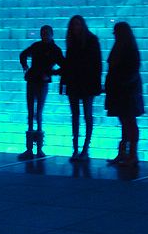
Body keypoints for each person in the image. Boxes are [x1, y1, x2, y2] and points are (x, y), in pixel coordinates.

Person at [17, 25, 63, 160]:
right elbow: (23, 55)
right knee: (33, 112)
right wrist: (49, 73)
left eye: (47, 33)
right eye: (43, 33)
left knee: (37, 113)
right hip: (34, 80)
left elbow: (64, 66)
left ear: (51, 34)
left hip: (38, 81)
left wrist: (49, 73)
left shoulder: (53, 49)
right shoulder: (43, 47)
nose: (45, 35)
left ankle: (36, 148)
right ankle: (32, 149)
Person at [59, 15, 102, 162]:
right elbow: (68, 65)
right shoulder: (77, 42)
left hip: (85, 83)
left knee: (85, 115)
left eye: (77, 25)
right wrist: (63, 82)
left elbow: (97, 65)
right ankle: (78, 149)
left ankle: (83, 149)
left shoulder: (89, 40)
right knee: (78, 116)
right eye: (73, 25)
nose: (75, 28)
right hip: (76, 83)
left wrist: (96, 85)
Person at [104, 21, 144, 167]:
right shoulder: (125, 47)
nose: (114, 34)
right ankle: (126, 154)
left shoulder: (126, 49)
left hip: (126, 93)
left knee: (129, 123)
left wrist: (118, 84)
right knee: (126, 122)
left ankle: (130, 154)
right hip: (122, 92)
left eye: (116, 31)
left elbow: (131, 71)